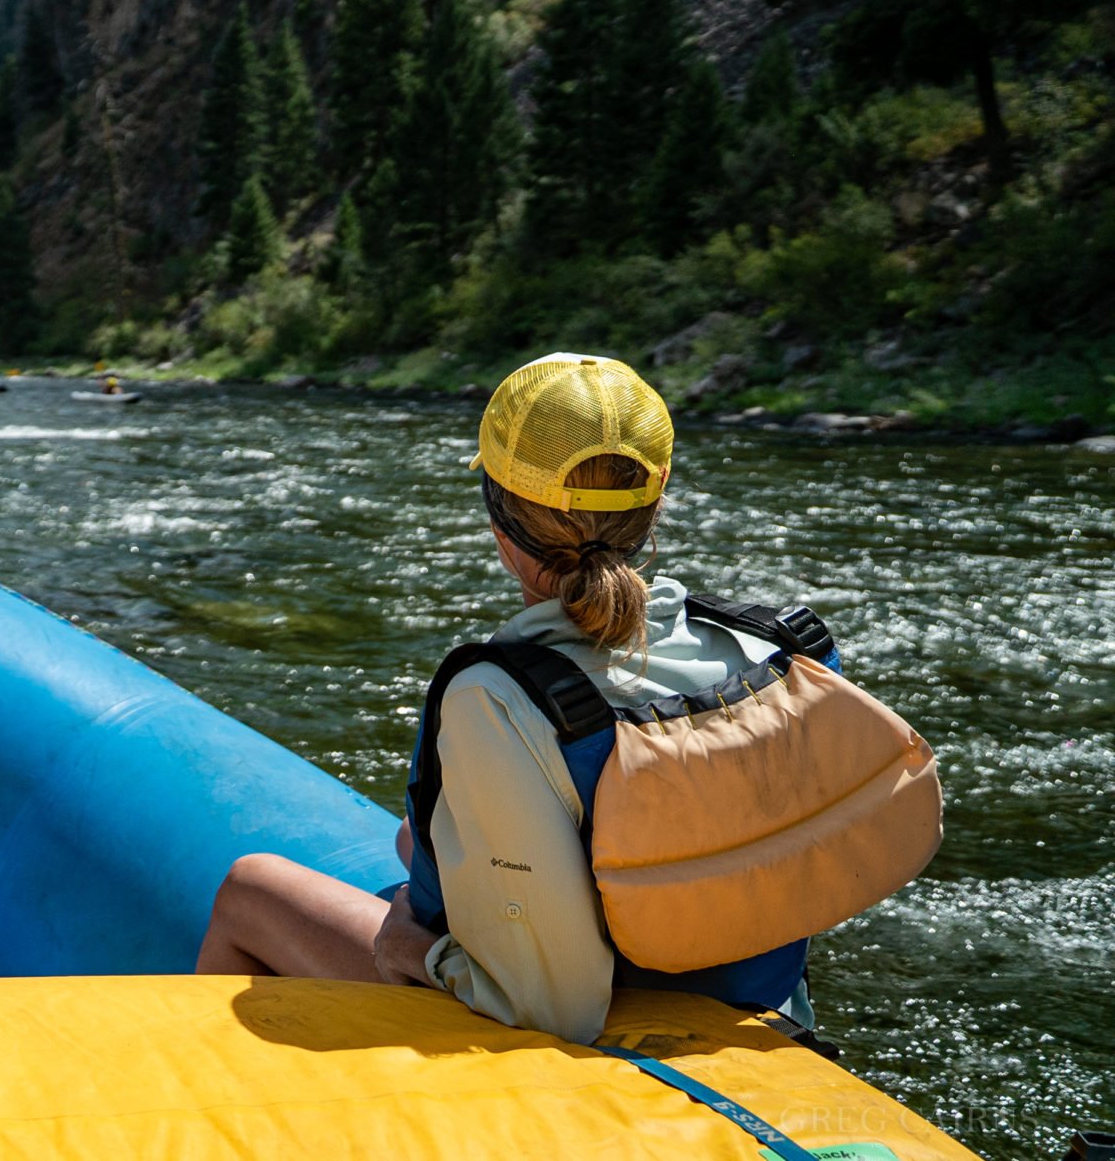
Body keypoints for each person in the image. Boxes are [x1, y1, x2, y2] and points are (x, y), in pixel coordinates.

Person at [196, 353, 937, 1046]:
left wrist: (417, 951)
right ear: (656, 502)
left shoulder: (500, 698)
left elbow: (549, 1003)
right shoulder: (782, 649)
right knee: (408, 842)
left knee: (249, 889)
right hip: (753, 1009)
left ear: (501, 524)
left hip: (577, 1042)